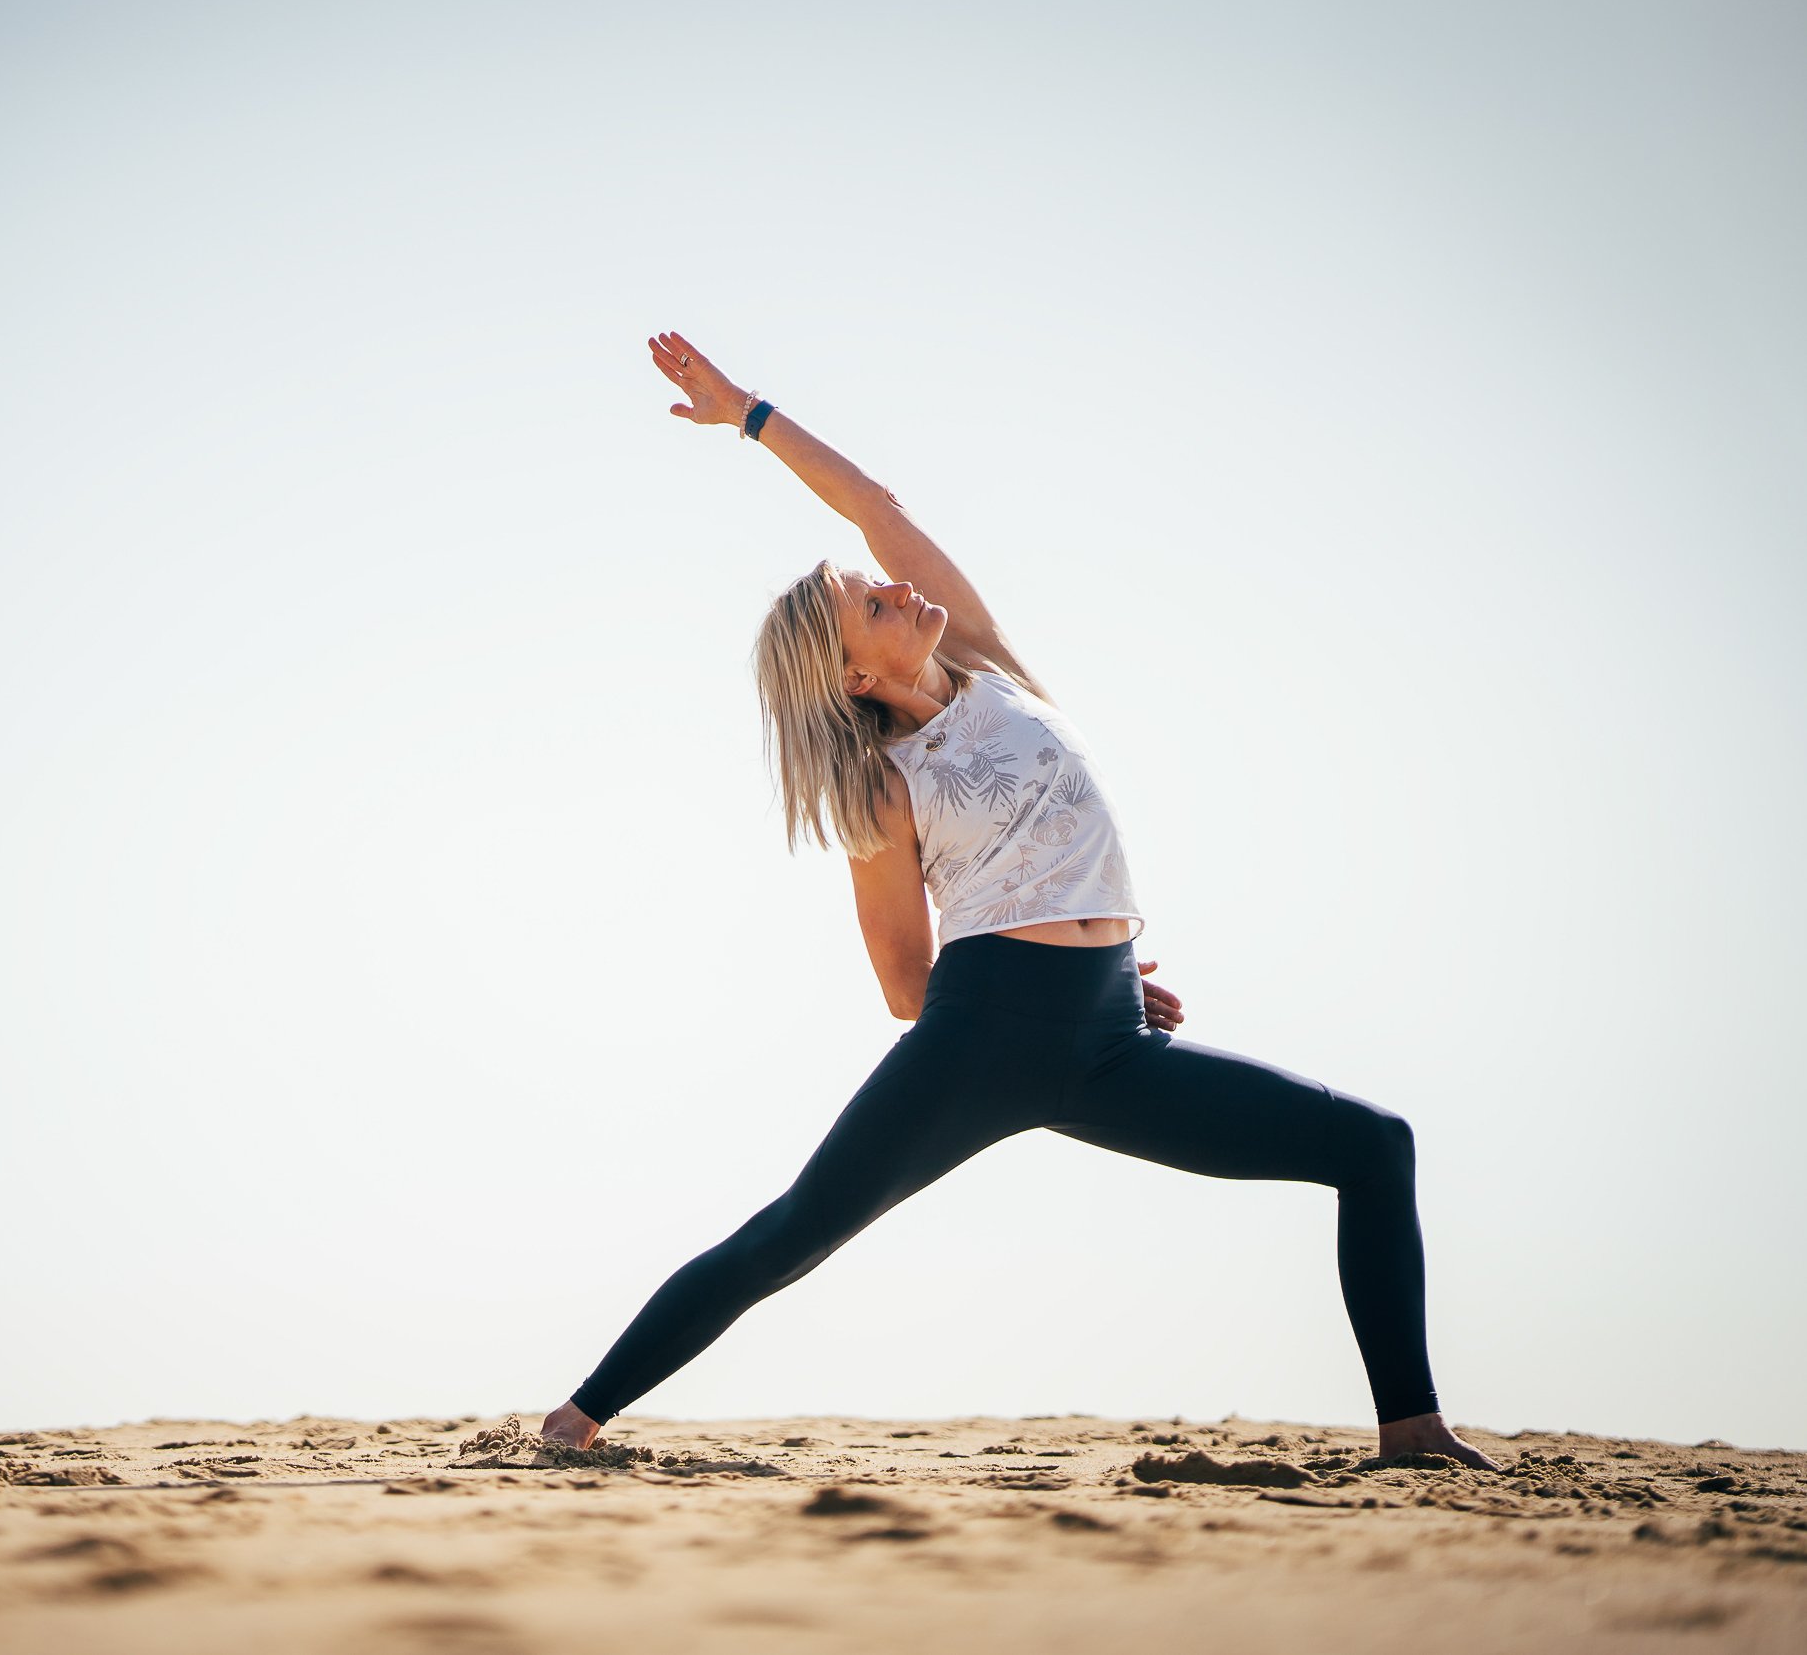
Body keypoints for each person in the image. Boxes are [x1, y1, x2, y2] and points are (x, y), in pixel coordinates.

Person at [538, 332, 1498, 1471]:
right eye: (875, 605)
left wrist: (749, 415)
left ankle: (1413, 1431)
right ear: (855, 675)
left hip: (1108, 1040)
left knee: (1372, 1145)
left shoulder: (989, 666)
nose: (900, 588)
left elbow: (875, 500)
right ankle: (574, 1418)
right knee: (792, 1235)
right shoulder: (882, 790)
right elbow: (905, 985)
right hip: (982, 1038)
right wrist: (1031, 968)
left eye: (885, 582)